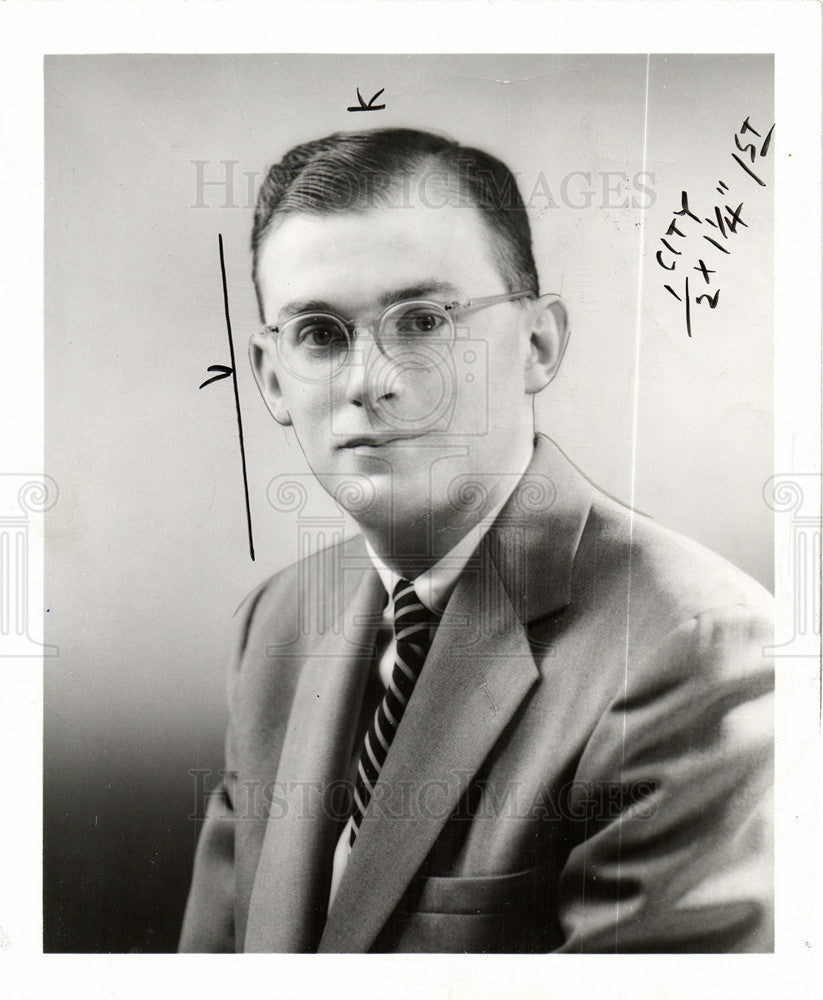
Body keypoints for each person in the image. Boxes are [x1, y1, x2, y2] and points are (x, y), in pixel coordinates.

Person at [179, 128, 774, 953]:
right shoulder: (274, 624)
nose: (367, 380)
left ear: (539, 344)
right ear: (271, 378)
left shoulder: (693, 647)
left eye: (422, 321)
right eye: (319, 333)